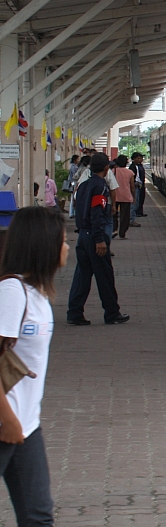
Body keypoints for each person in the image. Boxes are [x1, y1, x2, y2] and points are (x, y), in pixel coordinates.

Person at [0, 205, 67, 526]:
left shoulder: (37, 294)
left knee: (38, 515)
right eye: (62, 240)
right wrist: (8, 420)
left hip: (26, 425)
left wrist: (19, 423)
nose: (66, 246)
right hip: (6, 423)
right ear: (44, 246)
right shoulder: (12, 292)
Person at [66, 152, 128, 326]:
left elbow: (79, 209)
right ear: (106, 169)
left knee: (82, 276)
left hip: (83, 236)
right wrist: (100, 239)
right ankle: (112, 313)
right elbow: (96, 213)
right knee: (105, 276)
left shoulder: (84, 185)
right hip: (94, 237)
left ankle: (74, 312)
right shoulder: (100, 186)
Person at [112, 155, 135, 239]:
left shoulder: (113, 171)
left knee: (114, 214)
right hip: (126, 196)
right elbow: (132, 186)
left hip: (114, 196)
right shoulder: (130, 172)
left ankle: (114, 230)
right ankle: (122, 233)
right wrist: (134, 196)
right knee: (125, 216)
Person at [129, 153, 147, 218]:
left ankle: (140, 211)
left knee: (141, 198)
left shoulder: (140, 166)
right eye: (138, 158)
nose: (140, 160)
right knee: (136, 200)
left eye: (141, 158)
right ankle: (135, 214)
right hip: (136, 185)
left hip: (141, 185)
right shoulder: (132, 167)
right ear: (134, 159)